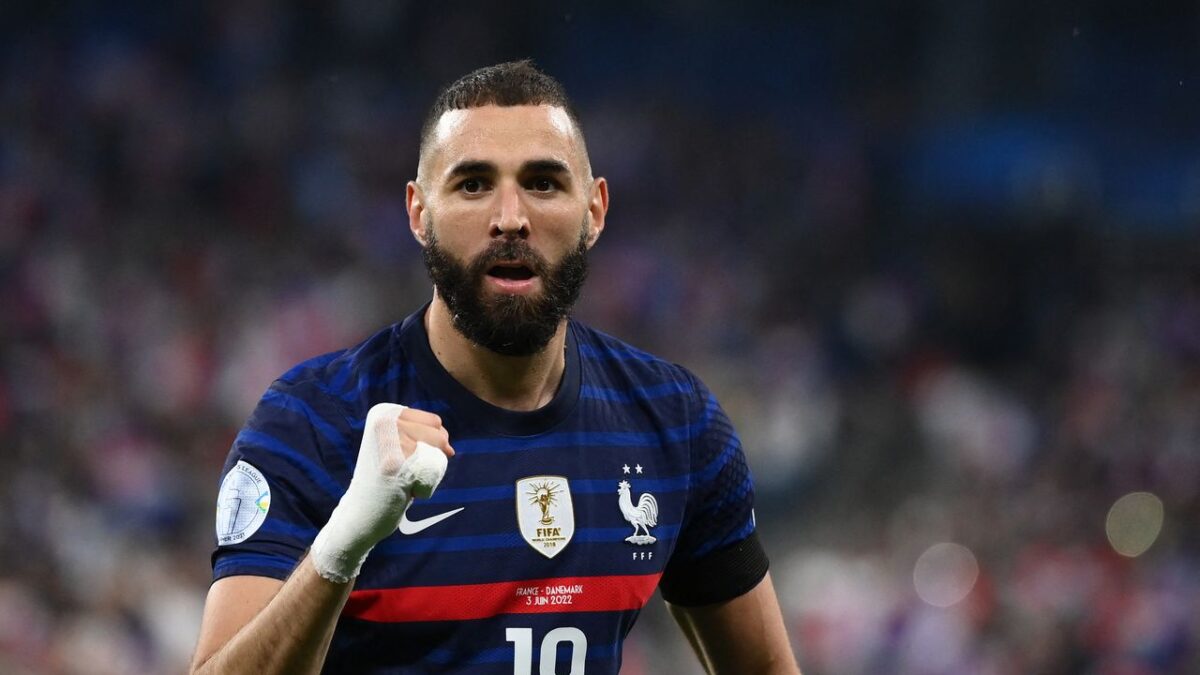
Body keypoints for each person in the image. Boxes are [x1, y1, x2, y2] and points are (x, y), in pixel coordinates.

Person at [190, 60, 800, 674]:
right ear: (419, 213)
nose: (510, 217)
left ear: (594, 212)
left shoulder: (675, 423)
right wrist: (340, 547)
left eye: (543, 183)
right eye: (474, 184)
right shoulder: (313, 423)